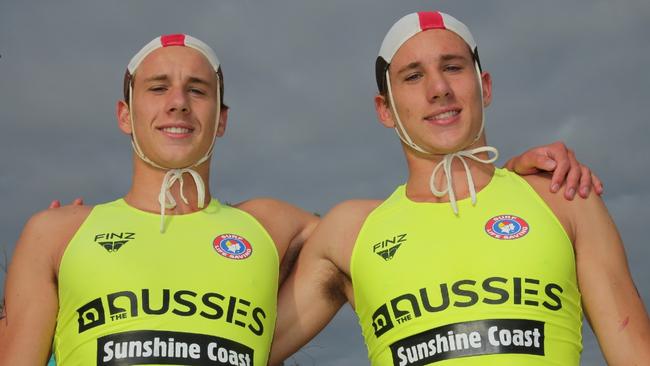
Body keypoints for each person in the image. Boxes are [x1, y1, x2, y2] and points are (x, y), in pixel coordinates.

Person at [0, 33, 597, 365]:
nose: (178, 103)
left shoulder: (273, 227)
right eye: (158, 89)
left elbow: (419, 233)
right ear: (125, 115)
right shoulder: (58, 235)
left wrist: (504, 181)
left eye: (197, 90)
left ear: (222, 119)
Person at [270, 11, 650, 365]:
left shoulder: (561, 197)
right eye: (414, 76)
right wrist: (269, 218)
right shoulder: (349, 232)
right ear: (384, 109)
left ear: (484, 87)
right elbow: (228, 347)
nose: (439, 89)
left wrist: (510, 183)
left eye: (452, 67)